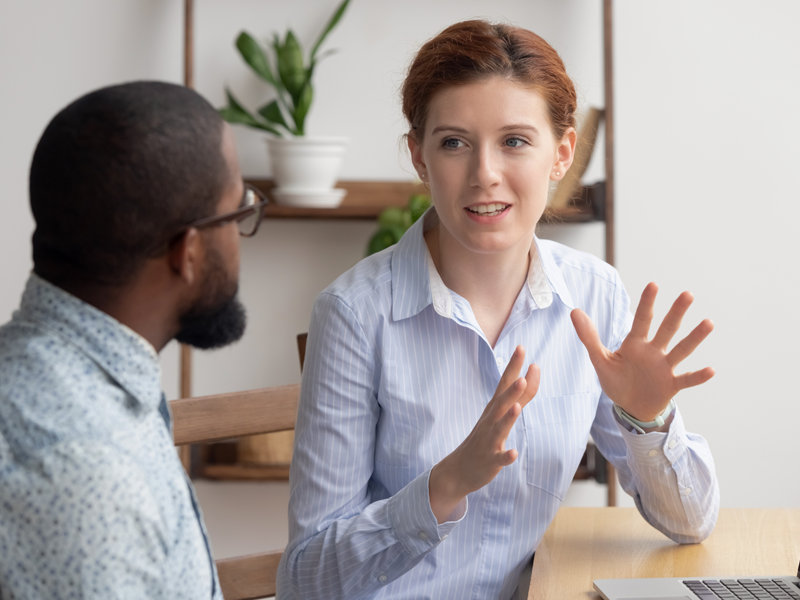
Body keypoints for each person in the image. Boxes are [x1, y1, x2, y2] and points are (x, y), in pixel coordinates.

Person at [278, 19, 720, 600]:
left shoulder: (594, 296)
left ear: (561, 155)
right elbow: (305, 580)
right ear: (419, 156)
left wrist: (647, 420)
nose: (485, 174)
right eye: (454, 142)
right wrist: (444, 487)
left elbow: (691, 524)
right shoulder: (355, 314)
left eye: (515, 141)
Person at [0, 81, 269, 599]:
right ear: (187, 252)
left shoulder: (60, 379)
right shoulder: (91, 480)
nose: (242, 235)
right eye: (238, 213)